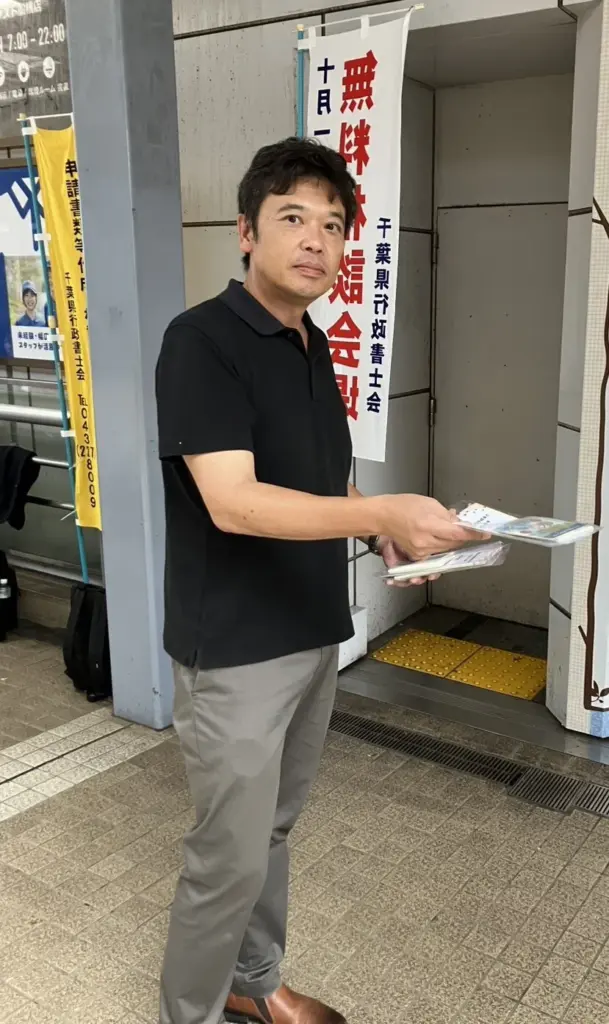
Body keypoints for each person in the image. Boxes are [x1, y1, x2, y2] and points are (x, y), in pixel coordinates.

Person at [155, 137, 480, 1024]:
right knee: (225, 855)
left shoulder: (310, 342)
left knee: (271, 830)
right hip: (234, 648)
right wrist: (386, 512)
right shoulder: (201, 341)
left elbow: (320, 481)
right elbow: (234, 503)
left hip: (309, 630)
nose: (315, 240)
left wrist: (380, 526)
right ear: (245, 232)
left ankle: (253, 985)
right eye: (292, 218)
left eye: (332, 226)